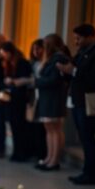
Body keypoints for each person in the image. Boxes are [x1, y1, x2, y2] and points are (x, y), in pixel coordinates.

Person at [57, 24, 95, 184]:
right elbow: (74, 70)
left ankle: (91, 173)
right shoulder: (82, 52)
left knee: (88, 138)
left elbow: (93, 78)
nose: (76, 42)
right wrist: (65, 71)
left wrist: (72, 71)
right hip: (78, 100)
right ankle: (87, 171)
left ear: (90, 37)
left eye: (78, 38)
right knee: (84, 138)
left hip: (88, 102)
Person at [34, 34, 71, 171]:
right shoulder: (51, 59)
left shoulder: (59, 58)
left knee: (54, 130)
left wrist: (37, 82)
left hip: (54, 99)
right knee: (49, 130)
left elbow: (54, 80)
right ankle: (49, 157)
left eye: (44, 45)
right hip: (48, 98)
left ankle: (54, 160)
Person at [0, 42, 33, 162]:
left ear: (10, 52)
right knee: (13, 126)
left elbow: (27, 79)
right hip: (11, 99)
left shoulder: (23, 63)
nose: (3, 56)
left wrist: (12, 81)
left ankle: (21, 152)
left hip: (20, 99)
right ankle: (16, 151)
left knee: (20, 126)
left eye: (4, 54)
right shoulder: (7, 64)